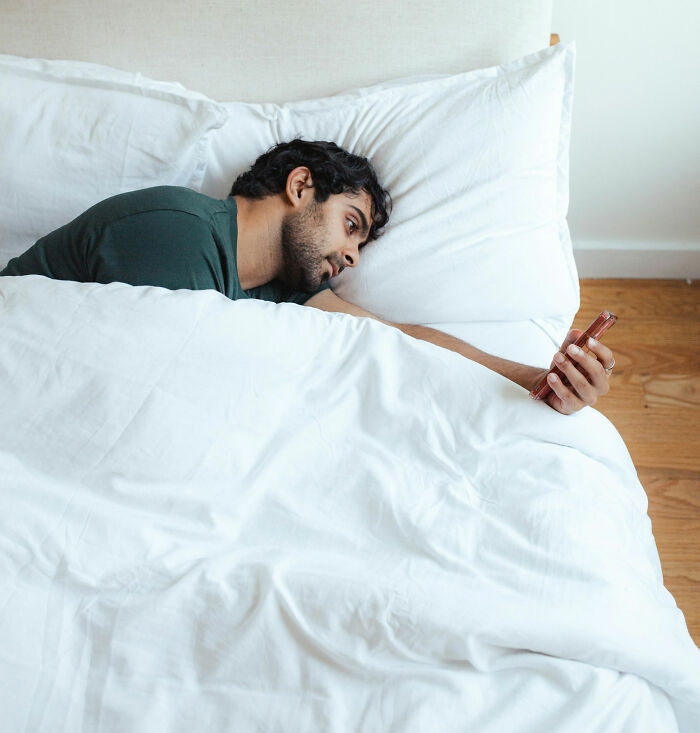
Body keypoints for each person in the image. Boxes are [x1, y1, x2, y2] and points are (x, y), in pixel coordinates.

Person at [0, 139, 614, 415]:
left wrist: (536, 377)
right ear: (300, 186)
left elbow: (398, 337)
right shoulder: (181, 228)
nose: (351, 257)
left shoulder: (281, 293)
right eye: (351, 224)